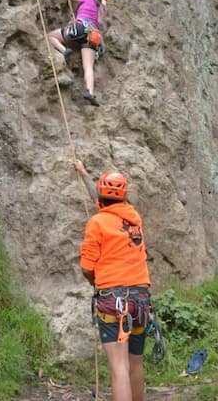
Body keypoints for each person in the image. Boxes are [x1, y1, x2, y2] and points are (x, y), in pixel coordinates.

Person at [76, 160, 151, 401]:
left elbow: (87, 267)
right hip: (140, 299)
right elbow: (109, 205)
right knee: (135, 364)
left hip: (112, 301)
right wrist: (84, 173)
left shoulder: (97, 223)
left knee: (119, 369)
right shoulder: (134, 220)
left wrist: (94, 281)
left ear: (100, 198)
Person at [48, 0, 108, 107]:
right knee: (88, 67)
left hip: (80, 27)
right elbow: (101, 17)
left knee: (50, 36)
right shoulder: (102, 7)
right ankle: (90, 92)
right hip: (93, 35)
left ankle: (63, 50)